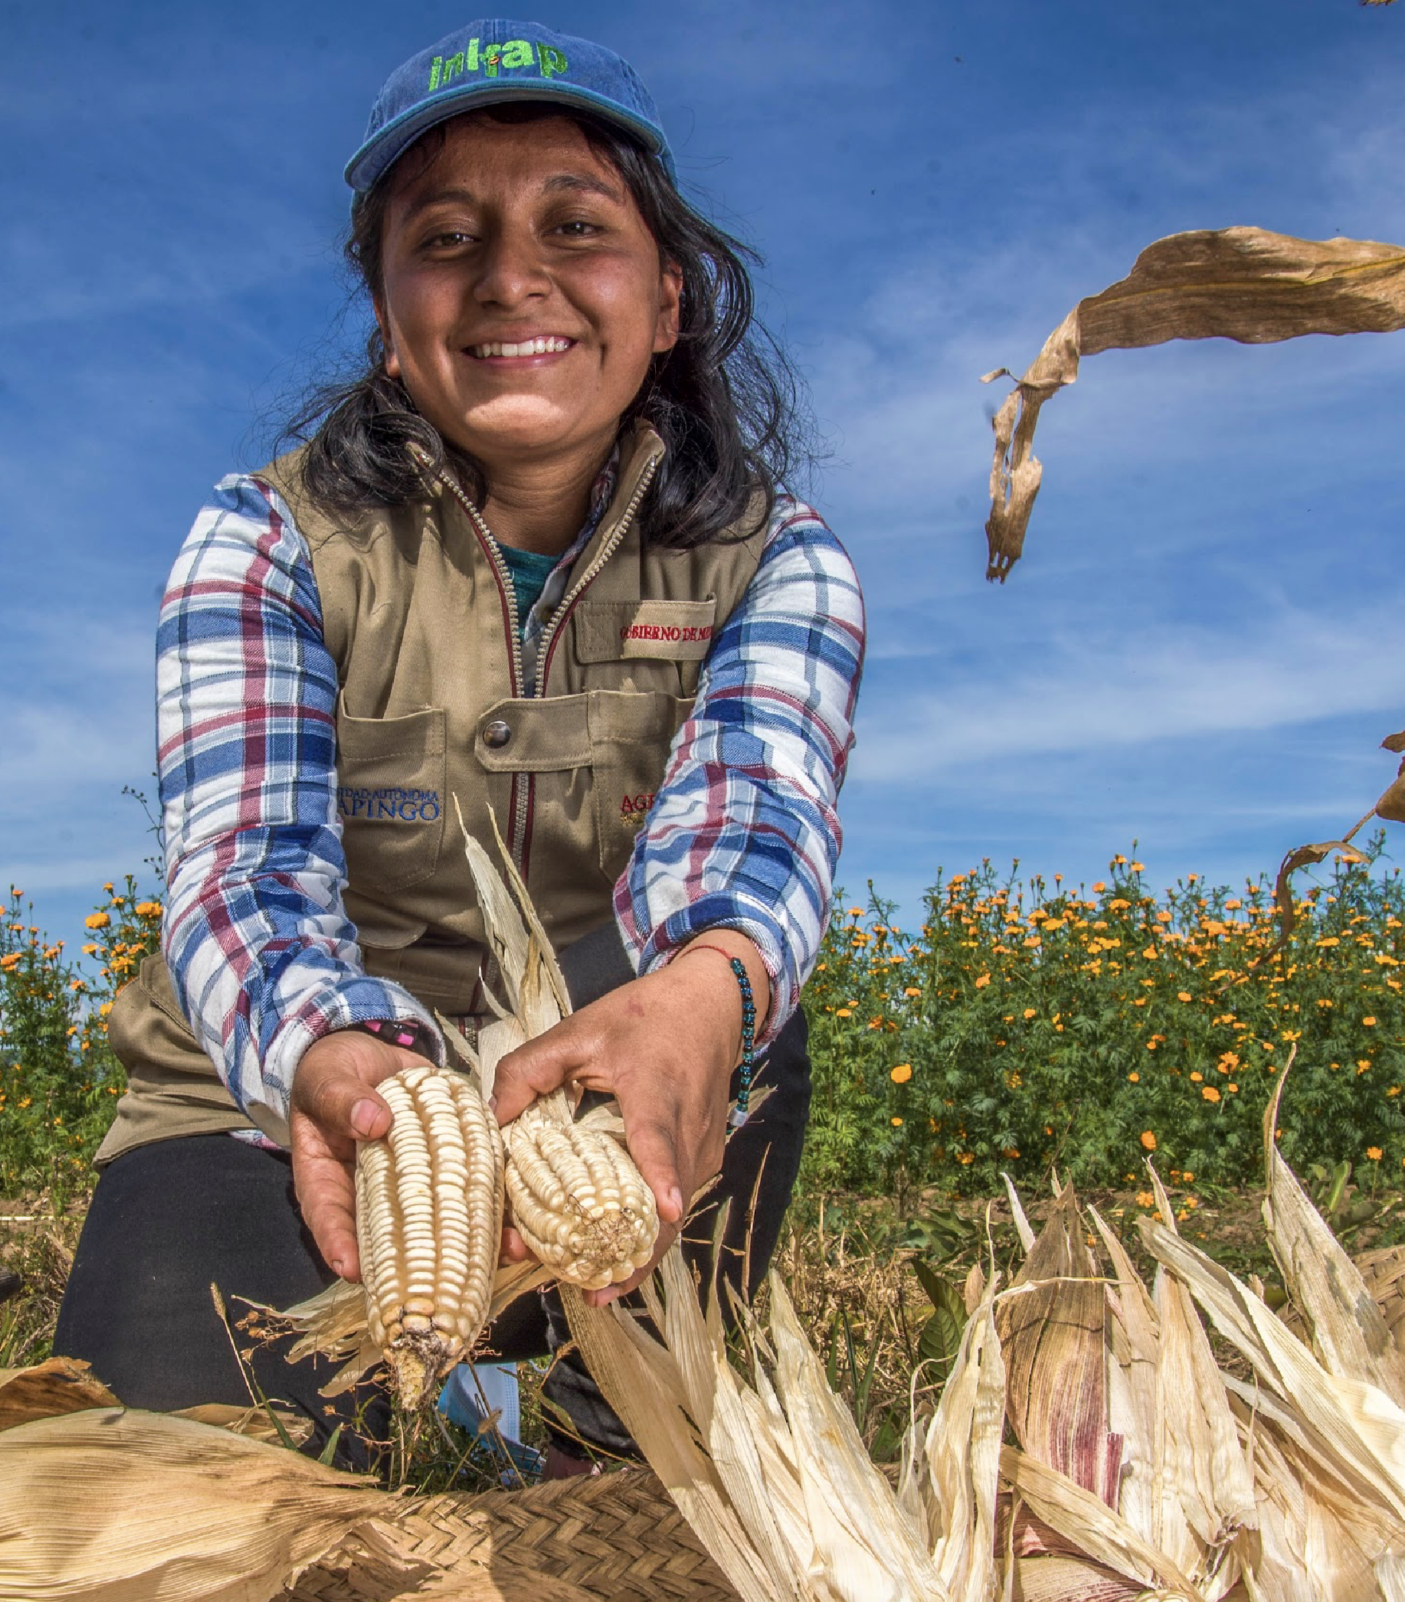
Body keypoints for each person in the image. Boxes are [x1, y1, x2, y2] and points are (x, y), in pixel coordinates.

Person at [52, 18, 864, 1473]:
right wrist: (340, 1064)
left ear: (669, 297)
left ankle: (596, 1430)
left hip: (601, 1100)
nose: (510, 277)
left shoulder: (780, 563)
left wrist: (699, 1002)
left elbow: (752, 842)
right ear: (386, 314)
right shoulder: (260, 541)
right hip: (285, 1099)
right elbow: (242, 872)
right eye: (446, 237)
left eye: (575, 224)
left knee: (747, 1013)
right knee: (190, 1493)